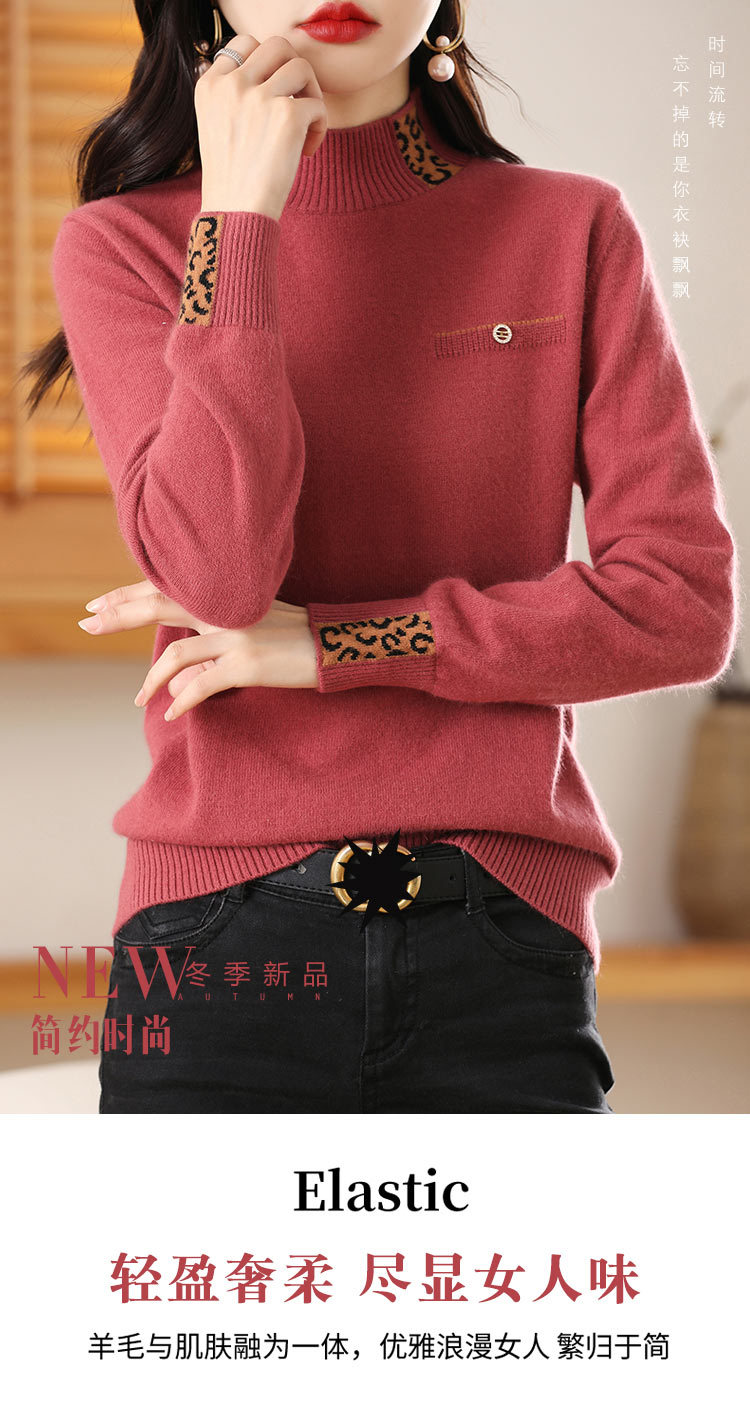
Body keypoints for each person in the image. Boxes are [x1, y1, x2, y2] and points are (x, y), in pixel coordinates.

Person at [23, 1, 737, 1113]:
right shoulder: (128, 243)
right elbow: (219, 577)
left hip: (502, 934)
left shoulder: (573, 229)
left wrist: (339, 646)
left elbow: (680, 607)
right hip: (216, 940)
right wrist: (239, 217)